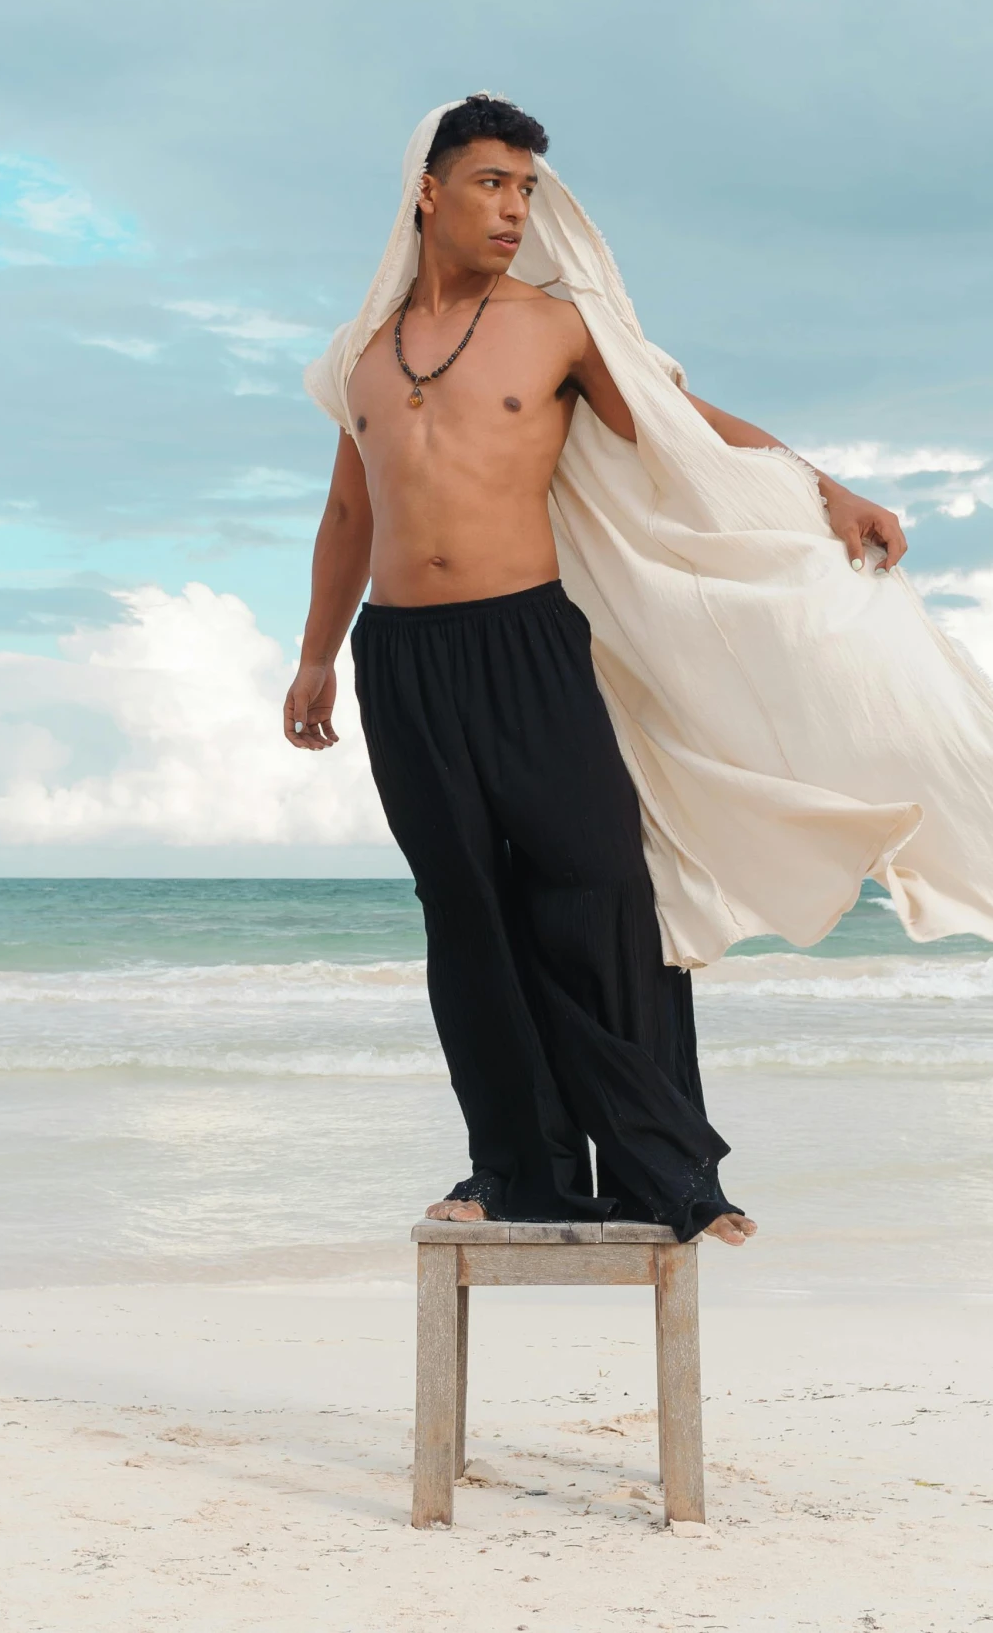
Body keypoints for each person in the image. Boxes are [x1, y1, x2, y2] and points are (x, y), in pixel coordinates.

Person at [282, 96, 912, 1246]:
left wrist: (825, 485)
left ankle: (662, 1168)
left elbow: (678, 426)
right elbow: (344, 508)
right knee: (463, 911)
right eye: (490, 183)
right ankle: (510, 1169)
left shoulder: (557, 328)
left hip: (526, 638)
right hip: (402, 656)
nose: (513, 208)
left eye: (525, 188)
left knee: (602, 888)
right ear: (427, 191)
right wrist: (317, 655)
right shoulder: (360, 356)